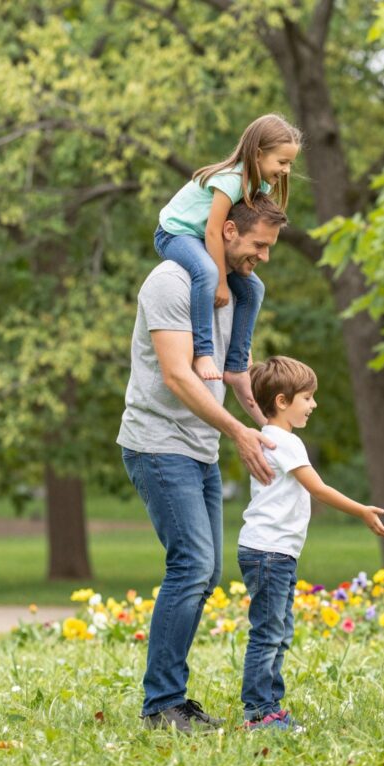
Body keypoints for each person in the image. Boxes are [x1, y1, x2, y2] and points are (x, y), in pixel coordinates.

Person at [118, 194, 288, 732]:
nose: (262, 256)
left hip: (200, 445)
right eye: (258, 245)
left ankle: (170, 699)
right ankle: (161, 705)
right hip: (157, 441)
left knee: (205, 570)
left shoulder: (239, 291)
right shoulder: (169, 282)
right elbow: (177, 375)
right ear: (228, 229)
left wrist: (267, 429)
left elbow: (235, 374)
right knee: (191, 565)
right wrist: (237, 432)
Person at [237, 356, 384, 730]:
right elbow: (318, 489)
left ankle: (270, 707)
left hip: (273, 551)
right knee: (269, 632)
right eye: (307, 397)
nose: (314, 404)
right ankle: (260, 713)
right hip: (270, 552)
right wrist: (362, 511)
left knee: (278, 630)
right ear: (282, 401)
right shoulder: (285, 441)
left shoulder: (271, 438)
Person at [155, 113, 301, 423]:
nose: (287, 170)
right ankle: (203, 352)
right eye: (282, 162)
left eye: (290, 163)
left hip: (199, 237)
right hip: (176, 233)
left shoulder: (258, 182)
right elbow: (213, 232)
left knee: (254, 288)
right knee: (206, 273)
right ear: (259, 154)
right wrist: (221, 281)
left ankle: (236, 366)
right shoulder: (232, 181)